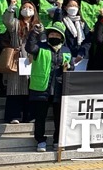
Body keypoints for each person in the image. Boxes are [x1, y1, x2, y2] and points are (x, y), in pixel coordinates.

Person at [26, 21, 72, 152]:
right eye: (51, 33)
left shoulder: (66, 50)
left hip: (59, 88)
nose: (54, 36)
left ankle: (58, 140)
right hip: (42, 88)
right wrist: (34, 33)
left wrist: (68, 67)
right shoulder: (40, 47)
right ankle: (40, 140)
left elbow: (71, 66)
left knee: (59, 118)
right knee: (40, 117)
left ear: (62, 37)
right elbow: (29, 48)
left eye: (57, 35)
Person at [3, 0, 38, 124]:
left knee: (31, 87)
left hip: (32, 59)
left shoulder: (38, 25)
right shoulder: (16, 23)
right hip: (17, 58)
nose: (27, 9)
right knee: (15, 87)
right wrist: (11, 7)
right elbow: (7, 21)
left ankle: (30, 115)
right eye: (24, 7)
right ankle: (14, 115)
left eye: (30, 7)